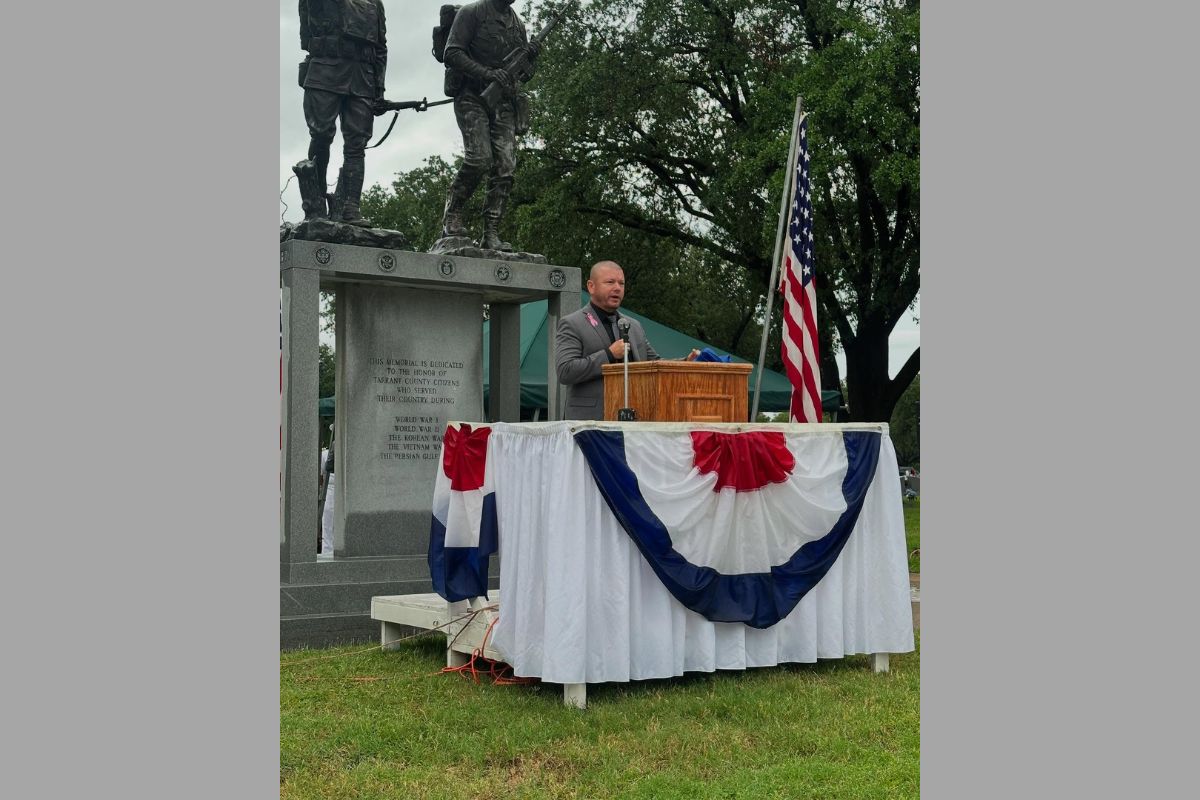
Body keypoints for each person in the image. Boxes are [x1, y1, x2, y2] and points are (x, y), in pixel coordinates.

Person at [439, 0, 541, 250]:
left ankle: (491, 233)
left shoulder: (517, 24)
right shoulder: (471, 13)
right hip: (472, 96)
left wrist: (532, 58)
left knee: (506, 166)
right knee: (479, 158)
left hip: (504, 101)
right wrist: (486, 73)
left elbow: (523, 74)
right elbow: (451, 53)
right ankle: (453, 213)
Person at [555, 261, 699, 420]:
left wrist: (686, 362)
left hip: (635, 419)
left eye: (621, 283)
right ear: (591, 286)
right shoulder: (573, 323)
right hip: (590, 424)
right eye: (610, 282)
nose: (617, 288)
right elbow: (565, 371)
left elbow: (655, 364)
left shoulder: (634, 326)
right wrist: (609, 355)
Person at [296, 0, 388, 226]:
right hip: (324, 69)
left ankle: (351, 208)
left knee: (357, 144)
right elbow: (306, 36)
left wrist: (379, 90)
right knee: (321, 134)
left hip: (362, 75)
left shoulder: (375, 3)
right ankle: (316, 203)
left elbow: (381, 47)